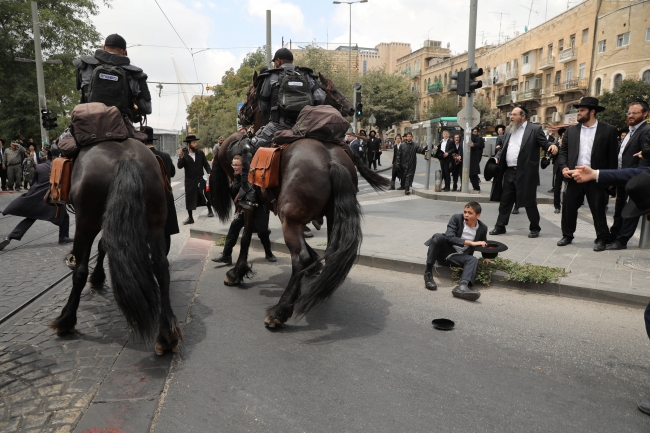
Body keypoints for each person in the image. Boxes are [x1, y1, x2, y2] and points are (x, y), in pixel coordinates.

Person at [556, 97, 618, 251]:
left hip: (595, 176)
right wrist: (563, 167)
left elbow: (612, 156)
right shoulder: (571, 131)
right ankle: (567, 235)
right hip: (574, 176)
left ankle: (602, 238)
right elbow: (563, 152)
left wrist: (610, 177)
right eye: (578, 110)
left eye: (582, 110)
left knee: (598, 208)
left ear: (592, 112)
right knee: (569, 207)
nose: (578, 113)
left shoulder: (608, 130)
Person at [489, 106, 558, 238]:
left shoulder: (534, 129)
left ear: (523, 116)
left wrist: (551, 146)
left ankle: (535, 228)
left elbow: (544, 143)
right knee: (505, 201)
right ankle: (500, 226)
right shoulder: (509, 130)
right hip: (509, 172)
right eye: (511, 115)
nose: (511, 117)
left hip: (526, 172)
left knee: (529, 202)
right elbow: (503, 149)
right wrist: (497, 158)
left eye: (514, 115)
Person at [252, 48, 326, 150]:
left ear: (278, 61)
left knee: (252, 146)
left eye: (274, 62)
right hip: (306, 125)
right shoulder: (307, 75)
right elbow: (320, 97)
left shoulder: (271, 76)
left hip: (278, 126)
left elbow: (262, 106)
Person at [0, 151, 73, 250]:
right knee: (65, 217)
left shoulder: (39, 167)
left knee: (30, 218)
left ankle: (10, 237)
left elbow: (33, 183)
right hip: (52, 200)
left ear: (47, 157)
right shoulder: (63, 167)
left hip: (37, 199)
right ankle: (63, 237)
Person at [73, 33, 152, 123]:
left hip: (87, 123)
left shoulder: (86, 65)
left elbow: (83, 92)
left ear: (104, 47)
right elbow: (147, 108)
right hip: (121, 127)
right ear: (124, 52)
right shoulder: (135, 74)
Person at [212, 156, 277, 264]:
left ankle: (268, 253)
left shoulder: (251, 176)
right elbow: (232, 193)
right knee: (234, 227)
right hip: (243, 209)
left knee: (262, 232)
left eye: (237, 165)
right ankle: (226, 255)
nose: (234, 167)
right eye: (233, 165)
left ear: (244, 166)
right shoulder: (234, 177)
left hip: (258, 207)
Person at [423, 201, 487, 301]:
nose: (466, 215)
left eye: (470, 213)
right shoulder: (457, 218)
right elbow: (449, 237)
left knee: (473, 259)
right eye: (465, 212)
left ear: (478, 215)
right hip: (444, 253)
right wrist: (471, 243)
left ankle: (462, 287)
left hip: (458, 258)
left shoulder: (482, 228)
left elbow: (483, 243)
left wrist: (486, 257)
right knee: (437, 237)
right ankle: (428, 274)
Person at [607, 101, 650, 250]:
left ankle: (622, 240)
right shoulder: (630, 131)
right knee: (619, 208)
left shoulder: (646, 130)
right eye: (629, 113)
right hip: (622, 177)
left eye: (634, 113)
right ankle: (613, 235)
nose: (630, 116)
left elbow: (646, 152)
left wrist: (639, 178)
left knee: (631, 211)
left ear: (645, 114)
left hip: (635, 179)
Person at [144, 126, 179, 254]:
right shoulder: (165, 155)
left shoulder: (140, 156)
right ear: (153, 140)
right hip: (166, 197)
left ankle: (153, 257)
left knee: (149, 230)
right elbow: (173, 173)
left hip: (147, 200)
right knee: (166, 230)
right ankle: (164, 257)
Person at [177, 134, 213, 225]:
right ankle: (190, 217)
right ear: (189, 144)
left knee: (206, 194)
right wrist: (181, 157)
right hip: (190, 181)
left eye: (196, 142)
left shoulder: (200, 153)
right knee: (189, 198)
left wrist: (209, 172)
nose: (196, 144)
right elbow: (179, 166)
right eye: (194, 142)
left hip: (200, 178)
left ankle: (210, 210)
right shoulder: (184, 155)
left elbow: (206, 164)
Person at [551, 128, 567, 213]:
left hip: (567, 168)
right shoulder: (557, 144)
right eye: (563, 135)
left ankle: (566, 205)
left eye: (566, 136)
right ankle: (557, 206)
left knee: (567, 188)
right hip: (558, 169)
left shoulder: (571, 144)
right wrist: (559, 147)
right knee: (557, 188)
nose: (564, 137)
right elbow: (553, 156)